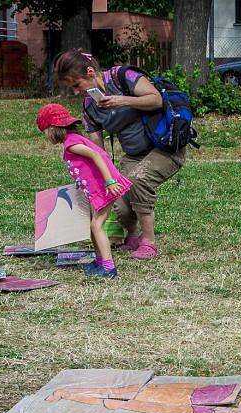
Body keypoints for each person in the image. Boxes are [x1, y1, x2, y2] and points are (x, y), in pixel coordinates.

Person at [53, 48, 186, 260]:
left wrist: (122, 100)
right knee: (117, 198)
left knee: (138, 180)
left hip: (164, 148)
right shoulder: (90, 106)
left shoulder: (124, 77)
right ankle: (132, 235)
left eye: (77, 85)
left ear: (90, 72)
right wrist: (91, 176)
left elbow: (156, 100)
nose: (77, 92)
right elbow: (96, 148)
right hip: (133, 156)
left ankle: (149, 242)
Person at [36, 103, 131, 278]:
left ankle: (109, 268)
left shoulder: (71, 144)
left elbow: (97, 155)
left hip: (106, 188)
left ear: (53, 129)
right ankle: (100, 262)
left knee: (96, 226)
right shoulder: (72, 140)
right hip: (101, 188)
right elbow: (87, 164)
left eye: (45, 132)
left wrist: (109, 181)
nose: (46, 137)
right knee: (93, 226)